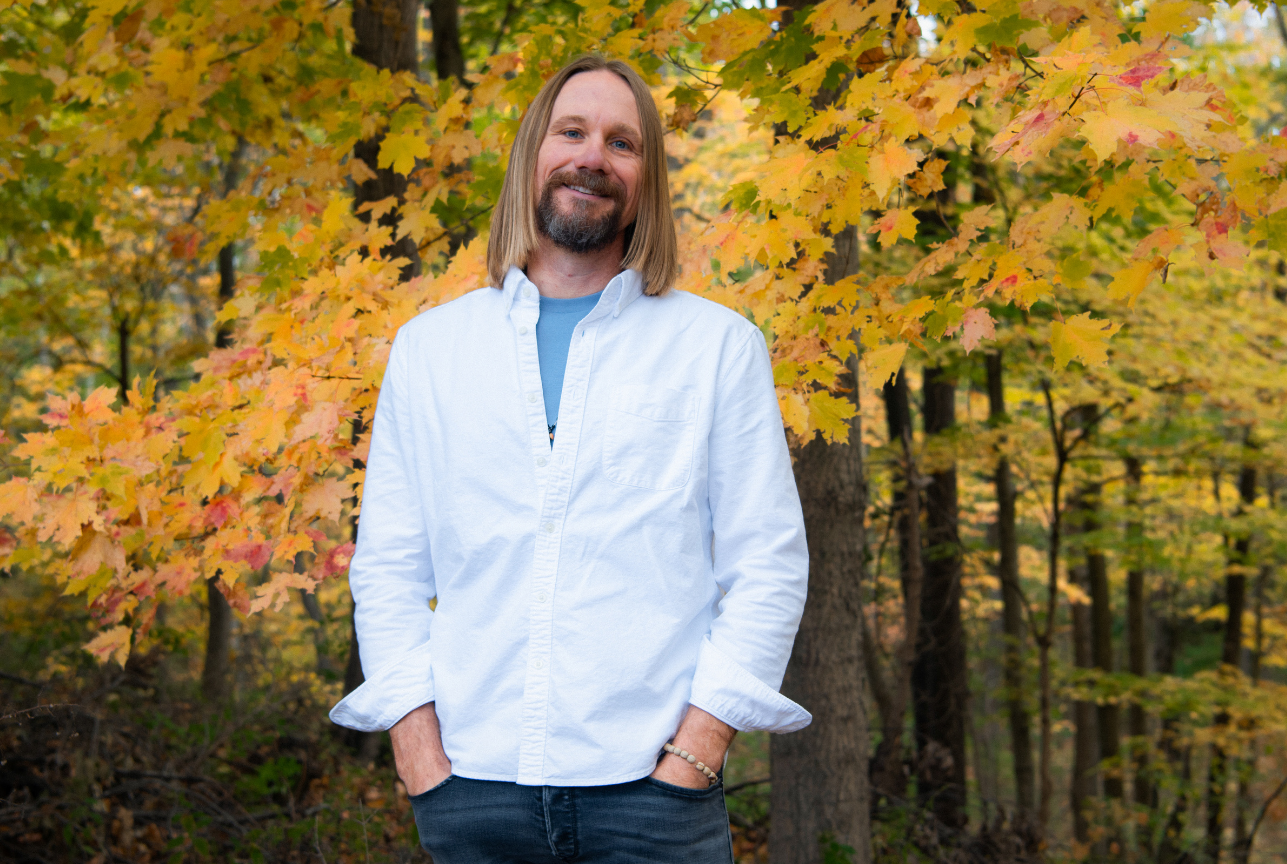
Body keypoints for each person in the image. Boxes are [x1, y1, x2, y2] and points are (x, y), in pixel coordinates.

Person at [330, 54, 810, 863]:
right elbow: (388, 568)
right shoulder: (431, 350)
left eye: (622, 143)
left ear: (646, 180)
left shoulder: (716, 348)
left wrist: (697, 750)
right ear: (532, 153)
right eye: (572, 132)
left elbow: (767, 564)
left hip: (654, 798)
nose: (593, 156)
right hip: (471, 792)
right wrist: (416, 750)